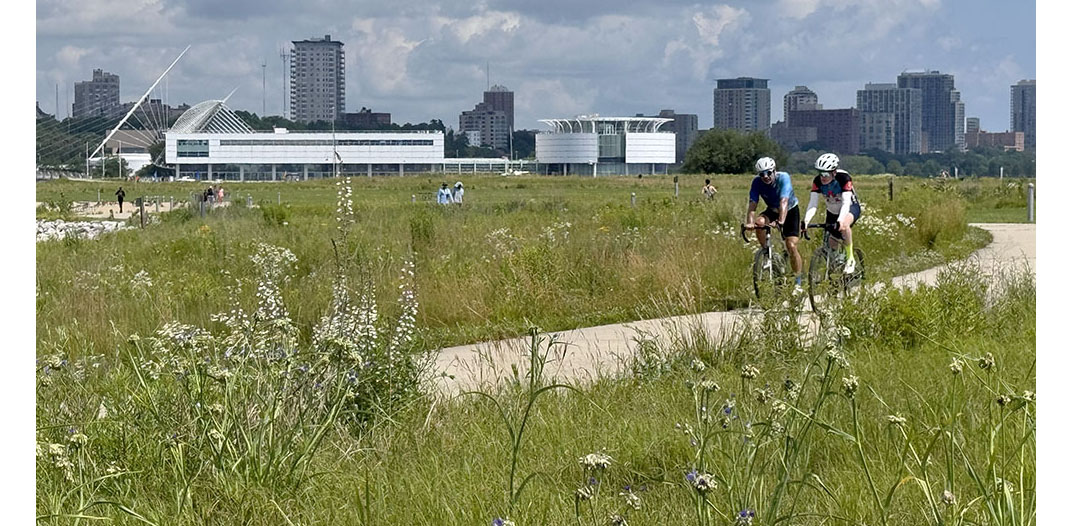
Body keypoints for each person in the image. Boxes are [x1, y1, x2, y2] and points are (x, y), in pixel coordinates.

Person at [744, 157, 804, 292]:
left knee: (791, 245)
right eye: (762, 174)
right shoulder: (757, 182)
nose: (765, 177)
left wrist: (781, 221)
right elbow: (753, 204)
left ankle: (798, 282)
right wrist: (749, 222)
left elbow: (783, 201)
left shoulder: (784, 178)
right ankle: (766, 252)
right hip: (772, 209)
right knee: (759, 223)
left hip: (790, 211)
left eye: (768, 173)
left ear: (774, 171)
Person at [804, 153, 862, 274]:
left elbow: (846, 203)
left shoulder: (844, 178)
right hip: (832, 211)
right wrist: (806, 221)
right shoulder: (817, 181)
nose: (822, 177)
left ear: (834, 172)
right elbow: (813, 204)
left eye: (825, 174)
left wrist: (840, 220)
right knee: (832, 242)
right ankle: (837, 265)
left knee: (845, 226)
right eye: (820, 173)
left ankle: (850, 258)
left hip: (850, 208)